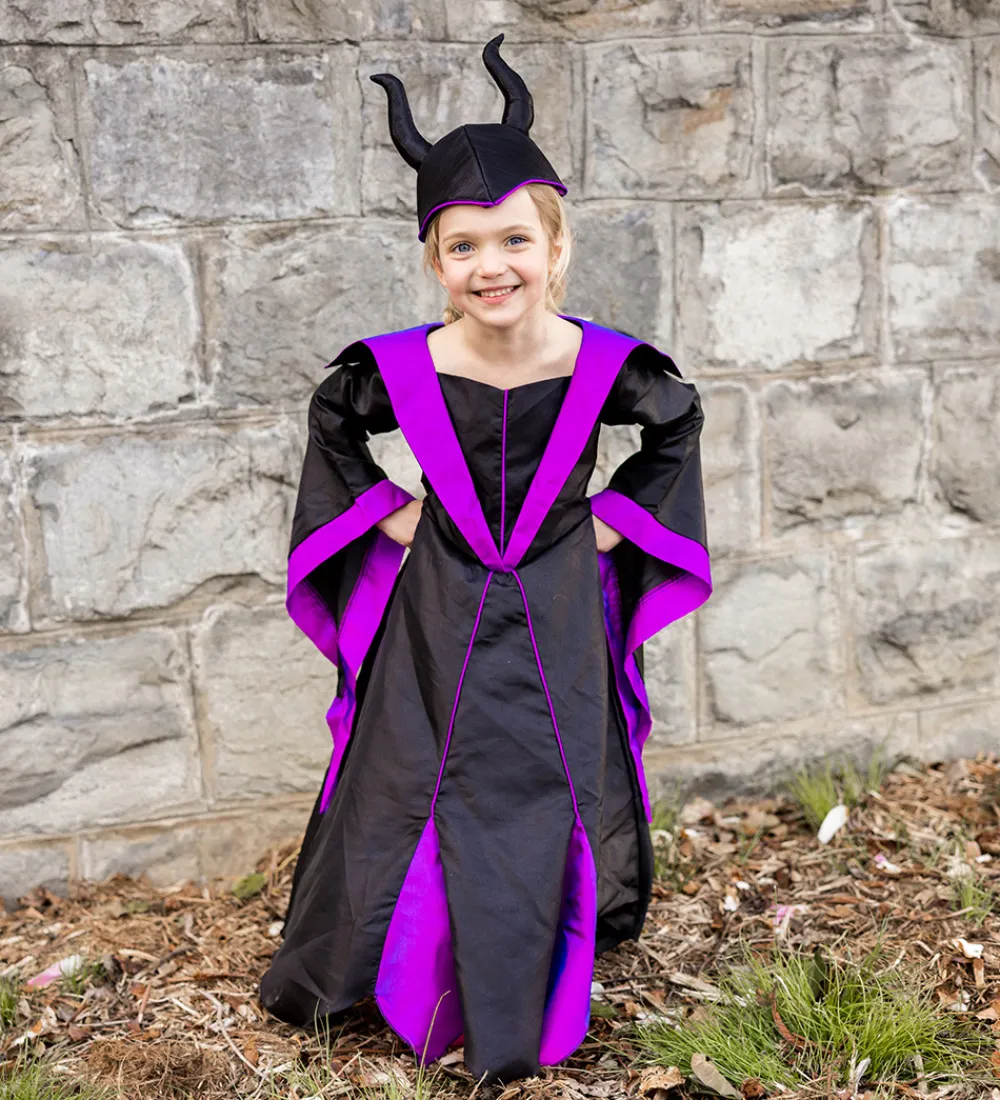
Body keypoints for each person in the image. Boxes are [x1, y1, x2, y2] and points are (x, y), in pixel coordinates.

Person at [259, 34, 713, 1085]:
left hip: (556, 602)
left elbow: (676, 423)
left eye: (513, 238)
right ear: (436, 264)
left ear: (555, 246)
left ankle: (522, 970)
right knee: (404, 763)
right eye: (461, 246)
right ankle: (370, 966)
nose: (490, 265)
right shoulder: (403, 366)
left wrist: (612, 523)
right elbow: (333, 421)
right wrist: (388, 513)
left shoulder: (603, 364)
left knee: (543, 766)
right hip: (437, 602)